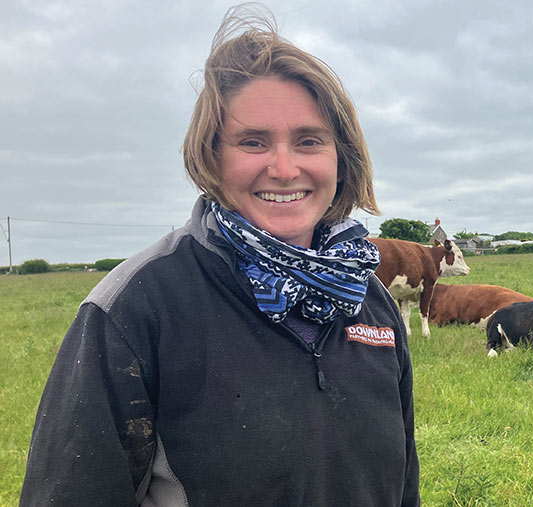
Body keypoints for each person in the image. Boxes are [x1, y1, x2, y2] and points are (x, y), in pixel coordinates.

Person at [20, 5, 419, 506]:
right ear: (212, 156)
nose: (283, 167)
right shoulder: (134, 308)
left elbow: (403, 488)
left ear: (341, 158)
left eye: (309, 141)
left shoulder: (369, 298)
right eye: (253, 142)